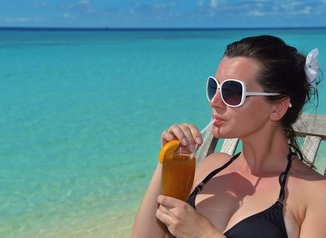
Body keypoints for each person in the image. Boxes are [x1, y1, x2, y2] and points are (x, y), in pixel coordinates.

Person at [132, 35, 326, 238]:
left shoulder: (315, 194)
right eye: (214, 87)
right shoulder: (211, 167)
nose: (214, 102)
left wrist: (204, 235)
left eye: (231, 91)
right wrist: (166, 160)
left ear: (277, 107)